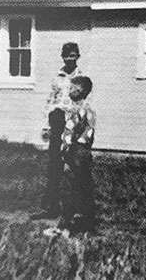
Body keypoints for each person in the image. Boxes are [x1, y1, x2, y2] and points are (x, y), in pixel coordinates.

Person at [35, 42, 84, 220]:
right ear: (62, 57)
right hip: (56, 121)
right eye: (67, 56)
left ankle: (75, 210)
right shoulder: (58, 77)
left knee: (73, 167)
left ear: (78, 57)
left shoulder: (82, 78)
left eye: (73, 55)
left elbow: (85, 103)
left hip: (73, 124)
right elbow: (50, 101)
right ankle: (51, 207)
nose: (70, 59)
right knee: (54, 166)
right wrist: (46, 126)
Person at [58, 75, 96, 234]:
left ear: (80, 91)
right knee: (83, 186)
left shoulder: (79, 111)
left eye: (73, 88)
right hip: (84, 152)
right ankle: (86, 221)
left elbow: (71, 134)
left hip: (75, 152)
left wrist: (66, 151)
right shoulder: (89, 111)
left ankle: (68, 223)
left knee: (70, 186)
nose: (69, 91)